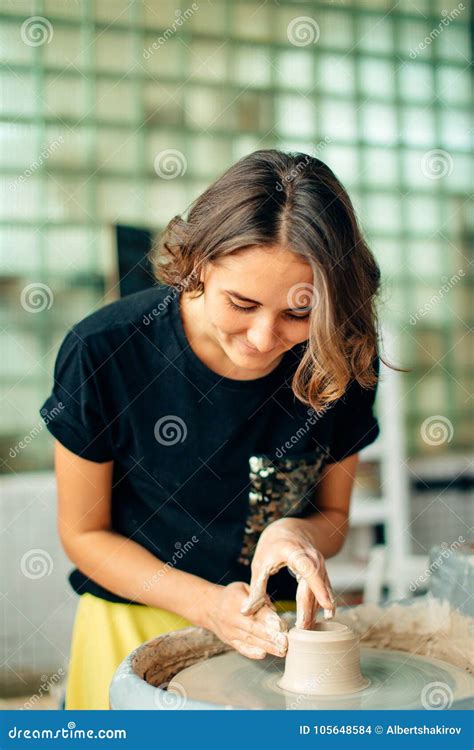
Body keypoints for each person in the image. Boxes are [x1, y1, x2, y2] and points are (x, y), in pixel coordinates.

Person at [40, 149, 384, 709]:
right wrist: (204, 606)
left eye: (300, 313)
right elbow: (84, 536)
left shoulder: (338, 360)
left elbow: (333, 517)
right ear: (196, 262)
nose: (261, 338)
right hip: (131, 621)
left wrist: (295, 534)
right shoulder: (105, 350)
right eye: (241, 303)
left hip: (270, 633)